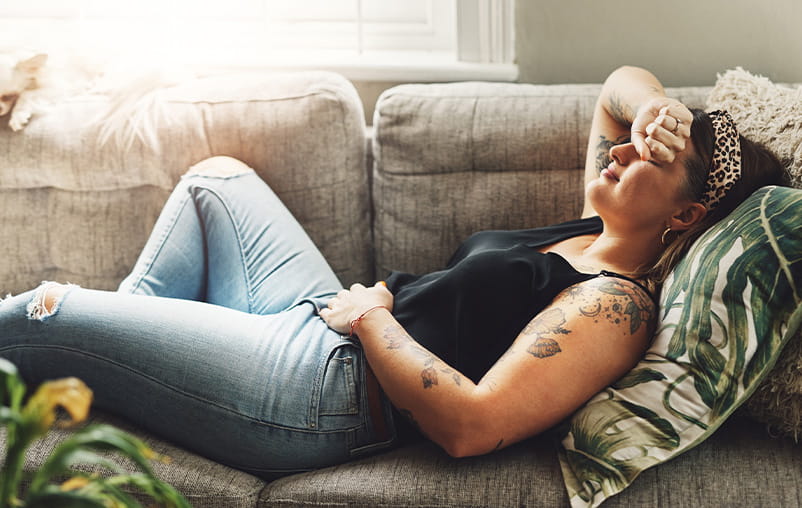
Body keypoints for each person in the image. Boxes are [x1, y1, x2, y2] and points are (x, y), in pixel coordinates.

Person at [0, 66, 786, 478]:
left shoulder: (615, 308)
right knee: (218, 181)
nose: (619, 151)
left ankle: (92, 357)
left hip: (323, 392)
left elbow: (472, 427)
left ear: (683, 218)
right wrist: (657, 112)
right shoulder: (598, 225)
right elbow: (620, 82)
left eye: (648, 158)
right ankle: (115, 370)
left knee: (47, 309)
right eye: (630, 141)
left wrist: (370, 317)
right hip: (324, 318)